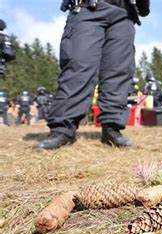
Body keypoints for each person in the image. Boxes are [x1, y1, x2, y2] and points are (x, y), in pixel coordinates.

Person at [36, 0, 150, 150]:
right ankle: (62, 129)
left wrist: (143, 5)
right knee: (78, 65)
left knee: (118, 70)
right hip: (88, 8)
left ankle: (112, 127)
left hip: (124, 12)